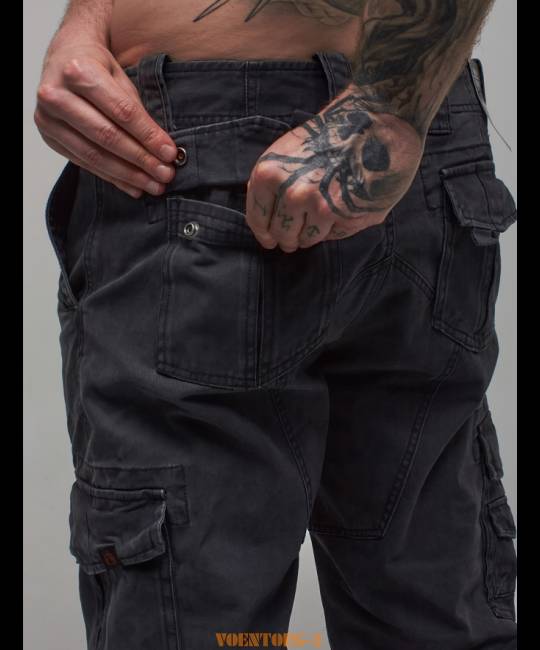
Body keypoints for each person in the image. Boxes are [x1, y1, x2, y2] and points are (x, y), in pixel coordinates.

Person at [34, 2, 517, 649]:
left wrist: (391, 102)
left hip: (227, 151)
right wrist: (86, 19)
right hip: (214, 146)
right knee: (432, 617)